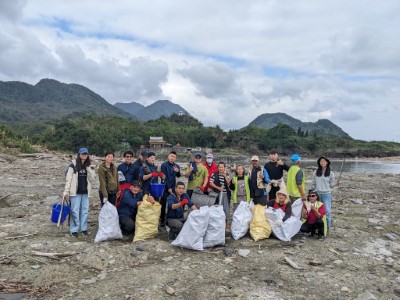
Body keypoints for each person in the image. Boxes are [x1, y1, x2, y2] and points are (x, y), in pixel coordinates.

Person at [63, 147, 96, 237]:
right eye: (82, 154)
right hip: (75, 192)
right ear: (79, 154)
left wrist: (89, 169)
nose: (84, 155)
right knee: (74, 211)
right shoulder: (72, 166)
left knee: (84, 211)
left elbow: (92, 179)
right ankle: (74, 229)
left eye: (85, 154)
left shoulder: (89, 165)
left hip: (85, 192)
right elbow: (68, 179)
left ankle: (83, 228)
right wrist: (66, 192)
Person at [311, 156, 337, 230]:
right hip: (317, 194)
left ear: (327, 162)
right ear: (319, 163)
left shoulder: (331, 173)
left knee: (327, 211)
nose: (322, 162)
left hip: (327, 194)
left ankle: (327, 227)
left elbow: (331, 185)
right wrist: (311, 192)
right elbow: (313, 183)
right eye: (321, 161)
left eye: (324, 161)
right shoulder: (315, 172)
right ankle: (317, 227)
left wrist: (336, 183)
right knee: (316, 210)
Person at [160, 151, 181, 226]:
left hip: (173, 187)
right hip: (164, 187)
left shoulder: (176, 166)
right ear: (168, 156)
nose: (172, 158)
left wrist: (177, 171)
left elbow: (178, 175)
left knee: (171, 204)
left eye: (174, 157)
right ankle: (162, 219)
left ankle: (169, 219)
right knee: (163, 203)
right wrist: (168, 187)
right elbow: (164, 178)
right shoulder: (164, 165)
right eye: (171, 156)